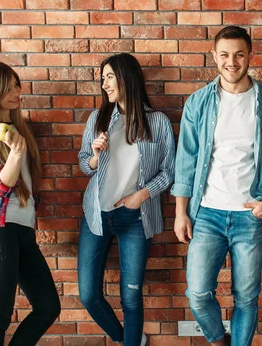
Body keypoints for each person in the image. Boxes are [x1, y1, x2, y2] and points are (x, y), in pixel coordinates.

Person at [171, 26, 262, 346]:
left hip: (249, 215)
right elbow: (185, 161)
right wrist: (181, 213)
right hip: (207, 213)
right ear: (214, 56)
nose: (232, 62)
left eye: (239, 54)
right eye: (224, 55)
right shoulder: (198, 103)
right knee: (198, 293)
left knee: (246, 298)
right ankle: (218, 340)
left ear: (250, 55)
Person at [77, 53, 175, 346]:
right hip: (97, 215)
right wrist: (94, 157)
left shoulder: (157, 122)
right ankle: (128, 340)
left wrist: (141, 196)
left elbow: (170, 171)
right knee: (89, 295)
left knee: (131, 297)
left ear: (127, 78)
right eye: (103, 78)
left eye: (110, 76)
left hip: (136, 217)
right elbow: (84, 164)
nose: (104, 83)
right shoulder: (98, 119)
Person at [0, 61, 60, 346]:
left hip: (22, 231)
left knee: (48, 307)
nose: (17, 90)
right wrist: (15, 156)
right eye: (9, 85)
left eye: (17, 84)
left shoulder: (19, 130)